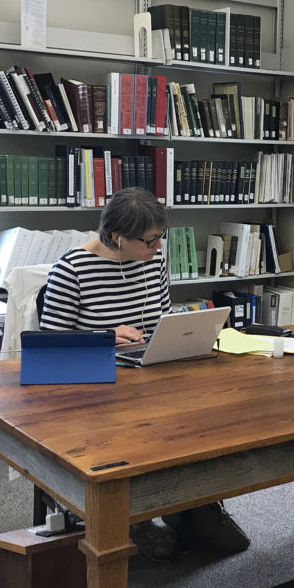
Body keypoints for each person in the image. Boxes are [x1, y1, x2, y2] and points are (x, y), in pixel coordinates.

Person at [39, 186, 250, 561]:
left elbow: (161, 319)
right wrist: (104, 339)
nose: (157, 248)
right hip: (97, 391)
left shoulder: (153, 261)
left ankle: (189, 502)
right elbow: (49, 351)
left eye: (160, 238)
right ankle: (132, 516)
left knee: (210, 414)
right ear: (118, 238)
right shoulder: (71, 270)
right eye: (150, 240)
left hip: (150, 375)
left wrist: (184, 333)